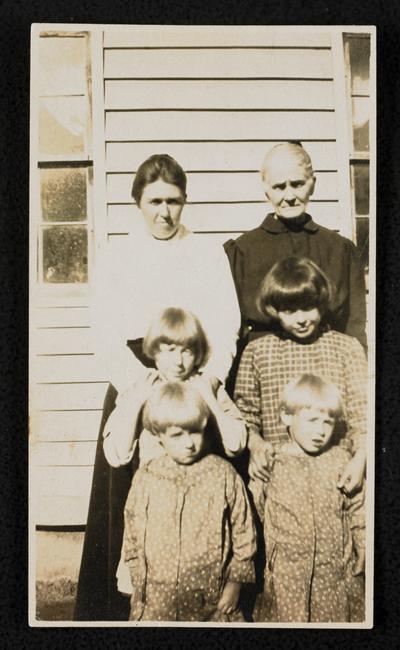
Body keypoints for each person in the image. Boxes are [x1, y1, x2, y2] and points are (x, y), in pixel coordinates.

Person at [74, 155, 241, 621]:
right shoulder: (117, 254)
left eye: (173, 201)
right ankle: (120, 610)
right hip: (136, 381)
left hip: (192, 379)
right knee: (128, 498)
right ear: (138, 203)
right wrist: (141, 387)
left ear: (184, 202)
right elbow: (102, 333)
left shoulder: (207, 253)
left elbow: (227, 324)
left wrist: (206, 379)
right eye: (154, 201)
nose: (164, 212)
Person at [102, 307, 247, 596]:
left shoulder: (206, 386)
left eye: (187, 351)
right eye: (169, 350)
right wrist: (137, 403)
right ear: (154, 350)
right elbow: (116, 454)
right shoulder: (143, 386)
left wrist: (210, 399)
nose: (179, 361)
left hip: (200, 513)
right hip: (155, 512)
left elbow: (236, 444)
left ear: (199, 353)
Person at [234, 256, 367, 497]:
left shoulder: (347, 348)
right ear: (274, 310)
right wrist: (256, 446)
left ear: (321, 302)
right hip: (280, 480)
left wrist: (361, 459)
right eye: (290, 310)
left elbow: (363, 417)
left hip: (338, 476)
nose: (302, 318)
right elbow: (245, 415)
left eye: (308, 307)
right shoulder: (258, 352)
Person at [123, 382, 256, 622]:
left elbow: (244, 532)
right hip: (157, 604)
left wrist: (235, 583)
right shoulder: (146, 478)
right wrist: (139, 582)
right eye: (176, 435)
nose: (188, 443)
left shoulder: (223, 475)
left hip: (212, 604)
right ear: (158, 435)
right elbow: (132, 534)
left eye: (194, 431)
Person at [224, 141, 367, 352]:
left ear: (313, 184)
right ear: (266, 190)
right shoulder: (241, 252)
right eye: (279, 187)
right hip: (264, 366)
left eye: (297, 184)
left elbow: (354, 329)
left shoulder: (340, 249)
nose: (289, 196)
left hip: (328, 364)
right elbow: (229, 327)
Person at [253, 374, 365, 623]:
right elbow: (255, 512)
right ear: (286, 417)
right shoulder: (272, 462)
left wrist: (364, 543)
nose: (320, 430)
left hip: (335, 575)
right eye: (312, 420)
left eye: (328, 422)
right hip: (286, 576)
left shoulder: (341, 459)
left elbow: (357, 506)